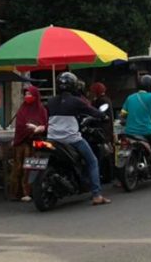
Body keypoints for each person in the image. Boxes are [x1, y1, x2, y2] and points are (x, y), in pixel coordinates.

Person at [47, 72, 112, 205]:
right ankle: (97, 195)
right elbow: (92, 111)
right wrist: (104, 116)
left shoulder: (51, 101)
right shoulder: (76, 101)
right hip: (71, 139)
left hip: (52, 138)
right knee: (92, 161)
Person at [11, 85, 47, 202]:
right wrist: (31, 129)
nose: (27, 96)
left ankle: (31, 191)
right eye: (26, 94)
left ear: (36, 96)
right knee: (19, 168)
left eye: (30, 94)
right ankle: (18, 192)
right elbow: (20, 126)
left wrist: (39, 128)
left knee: (33, 168)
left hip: (36, 144)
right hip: (22, 143)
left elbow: (46, 125)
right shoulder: (22, 109)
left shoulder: (41, 109)